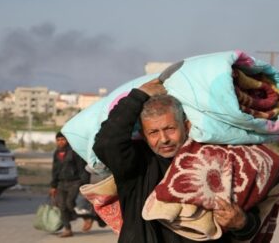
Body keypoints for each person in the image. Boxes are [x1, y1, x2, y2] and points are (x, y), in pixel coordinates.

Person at [92, 79, 261, 243]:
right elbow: (106, 143)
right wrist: (139, 95)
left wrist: (242, 223)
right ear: (144, 136)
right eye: (153, 133)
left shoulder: (218, 159)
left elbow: (252, 222)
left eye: (170, 129)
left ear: (186, 126)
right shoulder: (136, 164)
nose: (164, 139)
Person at [49, 132, 93, 237]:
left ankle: (87, 217)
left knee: (70, 203)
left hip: (75, 182)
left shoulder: (74, 152)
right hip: (61, 183)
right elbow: (55, 170)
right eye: (58, 140)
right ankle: (68, 229)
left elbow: (83, 169)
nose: (60, 142)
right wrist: (53, 186)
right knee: (62, 206)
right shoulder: (56, 153)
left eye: (63, 139)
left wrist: (85, 184)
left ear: (67, 140)